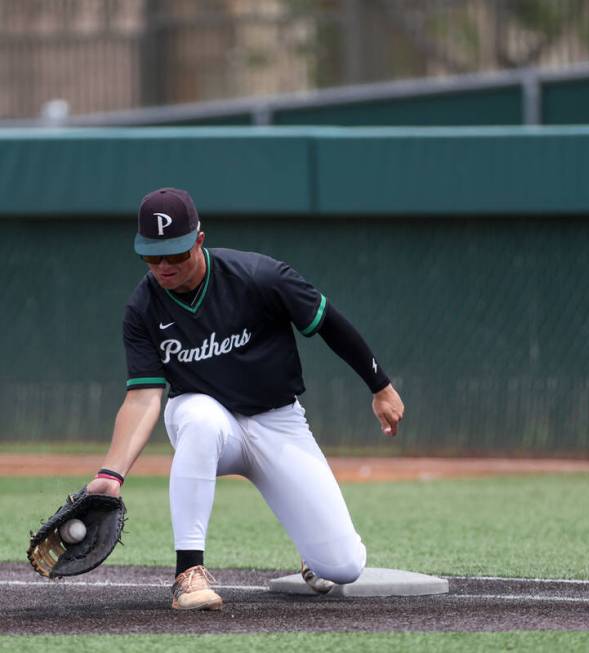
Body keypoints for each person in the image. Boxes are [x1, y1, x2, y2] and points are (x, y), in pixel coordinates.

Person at [85, 187, 404, 610]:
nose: (163, 266)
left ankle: (313, 554)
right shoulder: (143, 307)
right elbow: (144, 398)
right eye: (152, 255)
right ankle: (188, 573)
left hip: (277, 421)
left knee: (343, 566)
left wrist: (379, 385)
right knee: (198, 415)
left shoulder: (259, 276)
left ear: (199, 240)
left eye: (175, 254)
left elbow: (329, 323)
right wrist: (112, 473)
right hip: (208, 425)